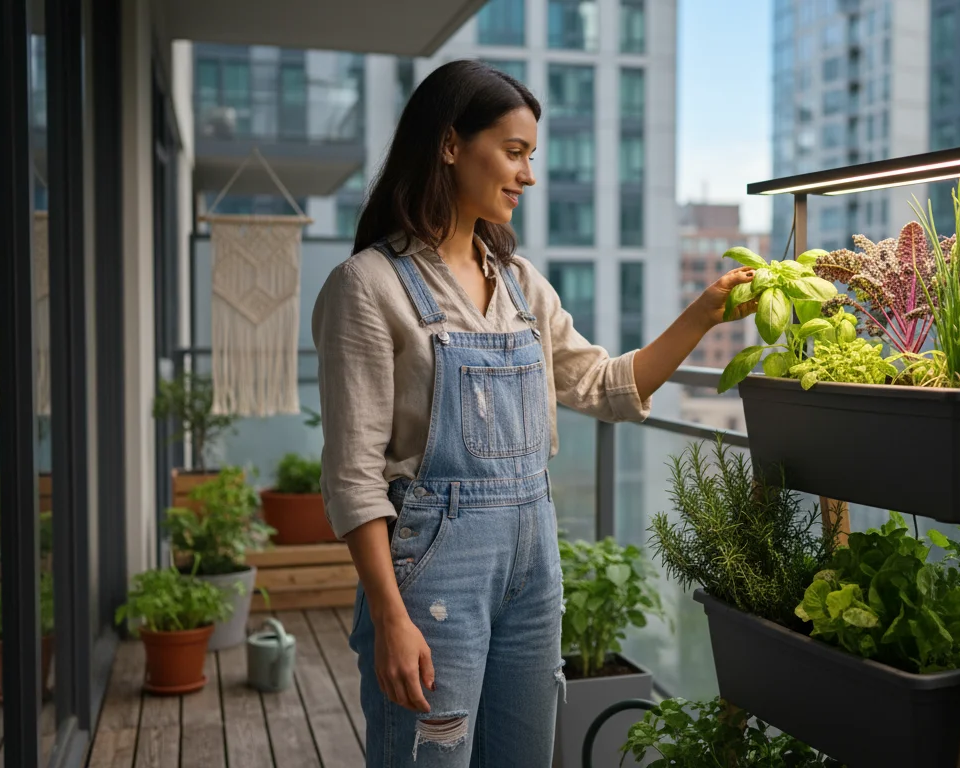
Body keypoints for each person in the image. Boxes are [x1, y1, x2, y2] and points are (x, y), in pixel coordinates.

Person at [311, 59, 756, 767]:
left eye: (531, 156)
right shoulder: (366, 288)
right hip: (430, 577)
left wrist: (703, 316)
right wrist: (389, 618)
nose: (528, 175)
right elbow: (354, 480)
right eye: (514, 153)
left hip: (533, 565)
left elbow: (606, 385)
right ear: (452, 145)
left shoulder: (519, 285)